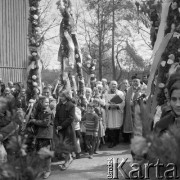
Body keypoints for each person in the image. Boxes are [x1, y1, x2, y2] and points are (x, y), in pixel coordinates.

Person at [28, 96, 53, 179]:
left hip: (46, 136)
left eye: (48, 102)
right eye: (45, 102)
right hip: (40, 135)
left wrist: (34, 121)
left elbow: (45, 123)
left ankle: (48, 170)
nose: (47, 104)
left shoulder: (48, 112)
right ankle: (42, 170)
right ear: (41, 103)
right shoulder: (40, 111)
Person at [54, 90, 76, 170]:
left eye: (62, 96)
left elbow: (71, 118)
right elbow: (56, 116)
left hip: (68, 129)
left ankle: (66, 162)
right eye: (60, 96)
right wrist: (57, 125)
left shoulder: (71, 105)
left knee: (66, 145)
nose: (61, 97)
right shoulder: (58, 105)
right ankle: (69, 157)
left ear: (66, 96)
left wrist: (62, 126)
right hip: (60, 129)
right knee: (61, 145)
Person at [123, 75, 146, 142]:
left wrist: (137, 102)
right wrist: (129, 102)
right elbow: (127, 99)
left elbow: (145, 98)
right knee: (132, 124)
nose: (135, 82)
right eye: (134, 81)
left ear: (139, 81)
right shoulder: (129, 89)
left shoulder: (143, 88)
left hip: (139, 109)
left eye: (136, 81)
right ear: (132, 82)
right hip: (130, 110)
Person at [104, 81, 125, 148]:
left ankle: (117, 140)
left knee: (117, 125)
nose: (113, 85)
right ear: (109, 85)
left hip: (117, 111)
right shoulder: (106, 93)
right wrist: (109, 106)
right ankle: (113, 141)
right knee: (111, 126)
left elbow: (123, 103)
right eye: (112, 84)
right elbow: (104, 102)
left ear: (117, 85)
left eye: (115, 84)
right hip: (110, 111)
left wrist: (117, 105)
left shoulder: (120, 93)